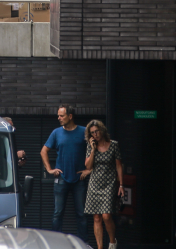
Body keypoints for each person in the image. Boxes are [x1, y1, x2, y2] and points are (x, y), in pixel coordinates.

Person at [40, 104, 91, 241]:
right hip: (61, 179)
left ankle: (84, 243)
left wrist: (89, 169)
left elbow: (96, 149)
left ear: (70, 116)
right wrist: (49, 169)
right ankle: (56, 243)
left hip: (79, 179)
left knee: (81, 214)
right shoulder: (56, 132)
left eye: (61, 115)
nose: (59, 118)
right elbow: (43, 151)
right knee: (58, 213)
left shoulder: (84, 132)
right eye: (58, 115)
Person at [84, 120, 123, 249]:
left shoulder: (113, 145)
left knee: (106, 216)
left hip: (109, 184)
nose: (95, 134)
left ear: (102, 130)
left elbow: (118, 166)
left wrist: (121, 185)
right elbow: (88, 166)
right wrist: (93, 150)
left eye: (97, 131)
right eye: (92, 133)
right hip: (94, 184)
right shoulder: (90, 146)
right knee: (96, 218)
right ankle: (100, 247)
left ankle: (112, 242)